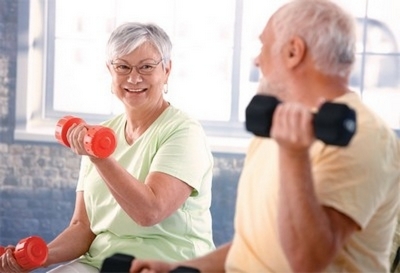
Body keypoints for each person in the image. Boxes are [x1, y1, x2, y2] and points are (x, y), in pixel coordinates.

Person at [129, 0, 400, 272]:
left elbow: (307, 261)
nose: (258, 60)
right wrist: (179, 269)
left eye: (264, 45)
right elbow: (251, 251)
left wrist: (294, 155)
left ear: (294, 52)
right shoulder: (277, 128)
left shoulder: (364, 136)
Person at [0, 22, 215, 273]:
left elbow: (150, 212)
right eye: (122, 67)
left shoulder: (183, 131)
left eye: (146, 66)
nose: (134, 78)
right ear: (110, 70)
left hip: (167, 264)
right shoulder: (100, 135)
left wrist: (100, 158)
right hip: (102, 263)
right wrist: (39, 258)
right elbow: (82, 228)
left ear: (166, 70)